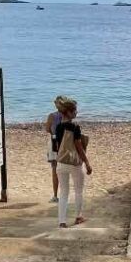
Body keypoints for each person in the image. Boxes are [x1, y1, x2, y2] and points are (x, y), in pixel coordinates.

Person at [53, 98, 92, 228]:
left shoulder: (58, 127)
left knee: (63, 192)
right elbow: (79, 147)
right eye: (74, 110)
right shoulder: (75, 127)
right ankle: (78, 217)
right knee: (78, 191)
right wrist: (86, 162)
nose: (76, 112)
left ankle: (62, 222)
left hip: (61, 162)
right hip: (74, 163)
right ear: (69, 112)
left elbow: (57, 146)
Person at [43, 96, 68, 203]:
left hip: (54, 142)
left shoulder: (52, 116)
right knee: (63, 170)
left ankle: (55, 195)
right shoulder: (67, 116)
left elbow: (47, 129)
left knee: (55, 170)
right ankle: (62, 195)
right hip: (64, 142)